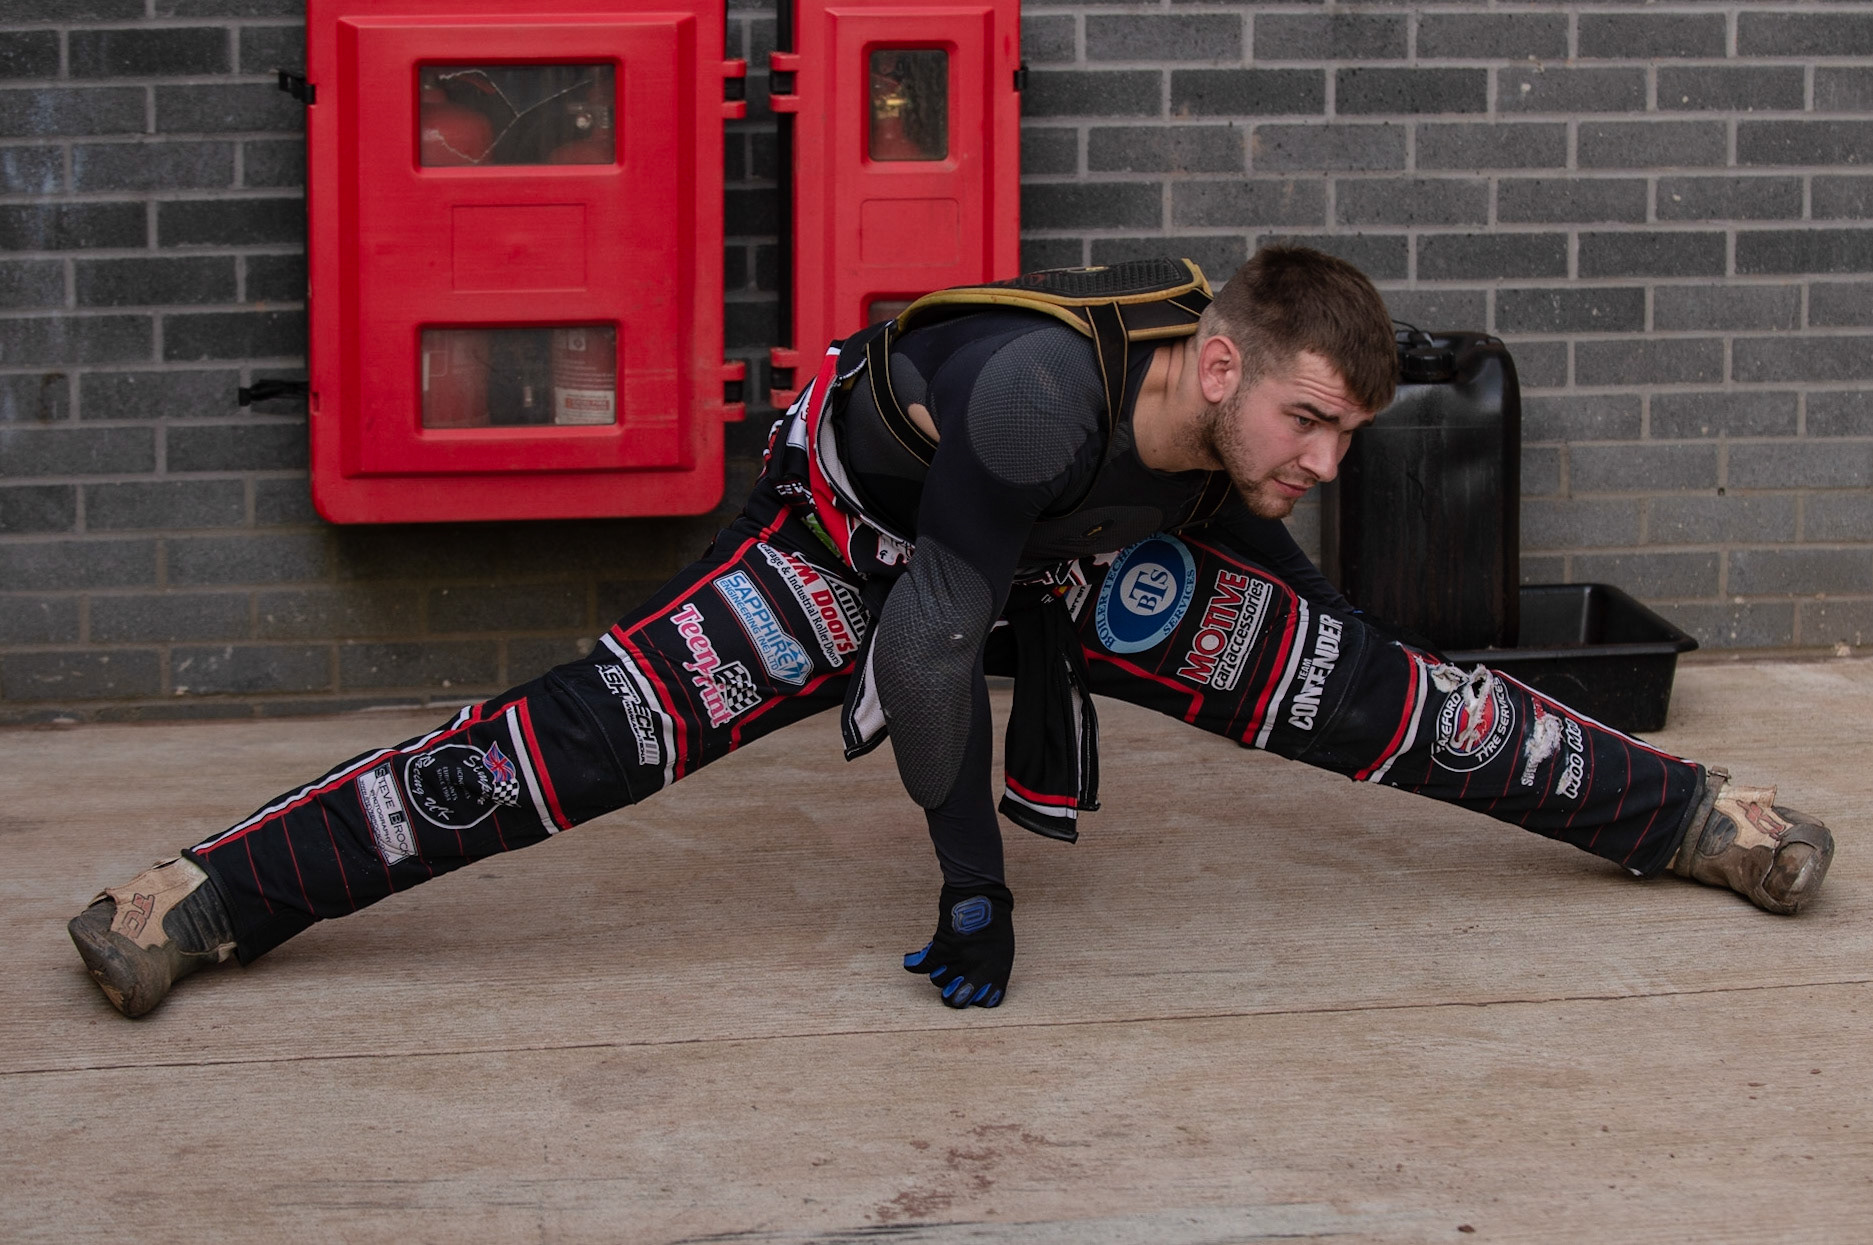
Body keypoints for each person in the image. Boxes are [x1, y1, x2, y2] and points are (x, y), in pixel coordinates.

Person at [69, 247, 1837, 1019]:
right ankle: (206, 895)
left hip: (1052, 570)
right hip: (860, 555)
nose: (1319, 460)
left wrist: (1342, 659)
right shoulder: (1033, 405)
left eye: (1341, 439)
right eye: (1307, 422)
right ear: (1218, 367)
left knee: (1387, 694)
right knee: (563, 746)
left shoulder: (1213, 432)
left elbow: (1288, 605)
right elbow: (923, 654)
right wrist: (970, 883)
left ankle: (1690, 817)